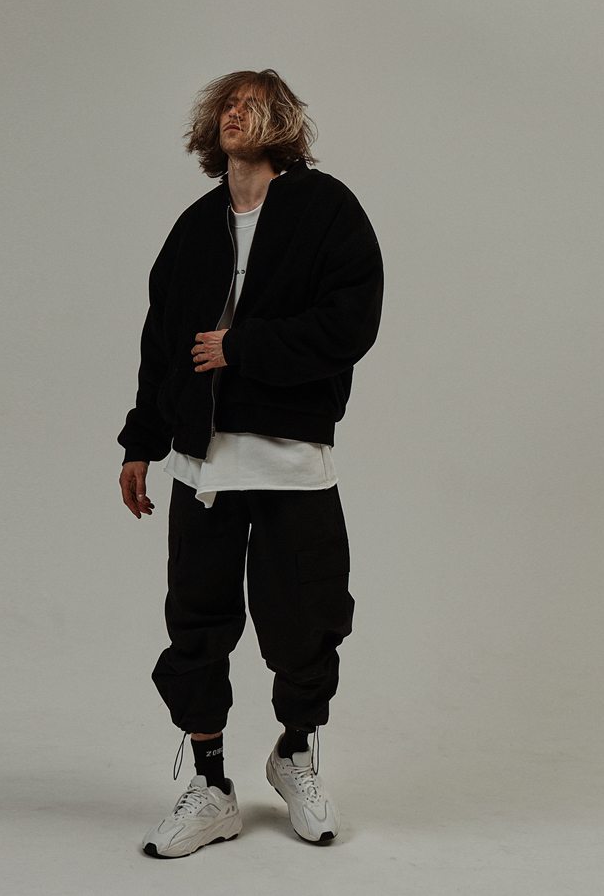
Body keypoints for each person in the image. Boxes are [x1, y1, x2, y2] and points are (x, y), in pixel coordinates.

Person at [116, 69, 384, 858]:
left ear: (282, 124)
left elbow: (352, 322)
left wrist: (244, 347)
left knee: (307, 621)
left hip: (292, 457)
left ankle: (294, 754)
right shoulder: (194, 228)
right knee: (196, 626)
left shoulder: (326, 209)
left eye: (252, 106)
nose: (235, 114)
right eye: (227, 106)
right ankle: (211, 788)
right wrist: (140, 441)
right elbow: (162, 343)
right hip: (201, 462)